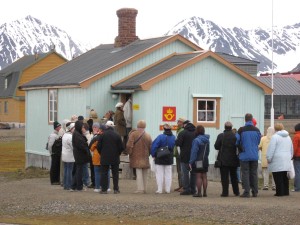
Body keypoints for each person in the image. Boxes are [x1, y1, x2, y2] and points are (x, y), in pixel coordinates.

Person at [236, 113, 261, 198]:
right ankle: (255, 191)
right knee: (254, 173)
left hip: (244, 155)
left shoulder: (241, 130)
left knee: (245, 173)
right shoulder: (257, 130)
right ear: (251, 119)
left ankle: (247, 192)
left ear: (245, 120)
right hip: (254, 155)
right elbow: (258, 141)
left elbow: (236, 141)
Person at [97, 120, 124, 194]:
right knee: (115, 174)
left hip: (105, 157)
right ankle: (116, 189)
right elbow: (121, 147)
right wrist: (118, 153)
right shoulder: (117, 135)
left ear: (106, 126)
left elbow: (98, 146)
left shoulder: (102, 135)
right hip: (115, 157)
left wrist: (101, 153)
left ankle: (104, 189)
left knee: (104, 173)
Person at [267, 123, 293, 196]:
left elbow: (271, 149)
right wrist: (290, 156)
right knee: (285, 176)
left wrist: (269, 158)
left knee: (277, 176)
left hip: (277, 159)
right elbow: (291, 148)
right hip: (286, 158)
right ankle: (286, 191)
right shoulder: (288, 137)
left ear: (275, 129)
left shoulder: (275, 137)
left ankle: (279, 192)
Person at [214, 121, 240, 197]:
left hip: (223, 159)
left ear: (224, 127)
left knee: (224, 177)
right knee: (234, 176)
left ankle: (225, 192)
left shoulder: (221, 135)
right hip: (233, 158)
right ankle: (236, 191)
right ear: (231, 127)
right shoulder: (235, 136)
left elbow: (216, 146)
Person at [126, 120, 152, 194]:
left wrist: (129, 153)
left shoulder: (133, 134)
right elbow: (151, 146)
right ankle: (145, 188)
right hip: (145, 156)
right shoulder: (148, 135)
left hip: (136, 156)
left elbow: (129, 145)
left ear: (137, 126)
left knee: (138, 172)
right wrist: (148, 154)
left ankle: (140, 189)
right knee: (145, 172)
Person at [151, 123, 175, 194]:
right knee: (168, 174)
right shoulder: (173, 137)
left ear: (164, 129)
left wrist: (153, 155)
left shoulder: (160, 137)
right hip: (169, 157)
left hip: (160, 157)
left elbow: (154, 146)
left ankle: (160, 189)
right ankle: (167, 189)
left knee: (159, 174)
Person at [175, 120, 196, 195]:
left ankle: (187, 189)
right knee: (193, 173)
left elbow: (178, 143)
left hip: (184, 156)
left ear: (185, 125)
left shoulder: (182, 133)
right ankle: (193, 189)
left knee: (185, 173)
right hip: (194, 156)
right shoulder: (196, 132)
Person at [189, 125, 210, 197]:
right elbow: (208, 151)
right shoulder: (207, 140)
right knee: (204, 176)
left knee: (198, 176)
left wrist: (191, 162)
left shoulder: (196, 140)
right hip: (205, 160)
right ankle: (205, 192)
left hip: (198, 160)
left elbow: (194, 152)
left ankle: (199, 193)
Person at [70, 120, 90, 191]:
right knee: (79, 171)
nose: (82, 128)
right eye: (81, 127)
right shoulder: (77, 135)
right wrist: (86, 147)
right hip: (80, 155)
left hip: (79, 155)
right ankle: (78, 186)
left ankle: (74, 185)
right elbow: (81, 145)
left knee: (78, 170)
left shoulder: (77, 133)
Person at [89, 123, 108, 192]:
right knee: (106, 172)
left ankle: (97, 187)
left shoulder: (96, 138)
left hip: (97, 157)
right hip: (105, 157)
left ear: (100, 130)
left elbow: (91, 148)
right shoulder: (107, 137)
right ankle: (106, 186)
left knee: (97, 173)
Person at [47, 121, 62, 185]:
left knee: (57, 166)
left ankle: (56, 179)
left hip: (57, 153)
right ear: (56, 127)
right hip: (54, 153)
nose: (60, 128)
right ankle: (53, 180)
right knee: (54, 167)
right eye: (59, 127)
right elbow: (50, 145)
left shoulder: (57, 134)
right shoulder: (53, 135)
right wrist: (51, 152)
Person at [61, 122, 75, 190]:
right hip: (70, 155)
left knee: (66, 169)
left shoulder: (64, 135)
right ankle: (69, 185)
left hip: (64, 154)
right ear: (71, 129)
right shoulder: (70, 137)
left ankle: (65, 184)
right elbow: (73, 146)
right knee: (69, 170)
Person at [173, 117, 185, 192]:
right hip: (178, 152)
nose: (177, 123)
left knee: (181, 170)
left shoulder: (182, 131)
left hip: (180, 153)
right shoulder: (179, 130)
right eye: (178, 122)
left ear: (182, 123)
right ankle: (180, 185)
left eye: (179, 122)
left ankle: (183, 186)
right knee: (179, 170)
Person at [293, 123, 300, 192]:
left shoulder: (296, 136)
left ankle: (297, 187)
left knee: (297, 172)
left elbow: (295, 147)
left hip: (298, 156)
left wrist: (292, 155)